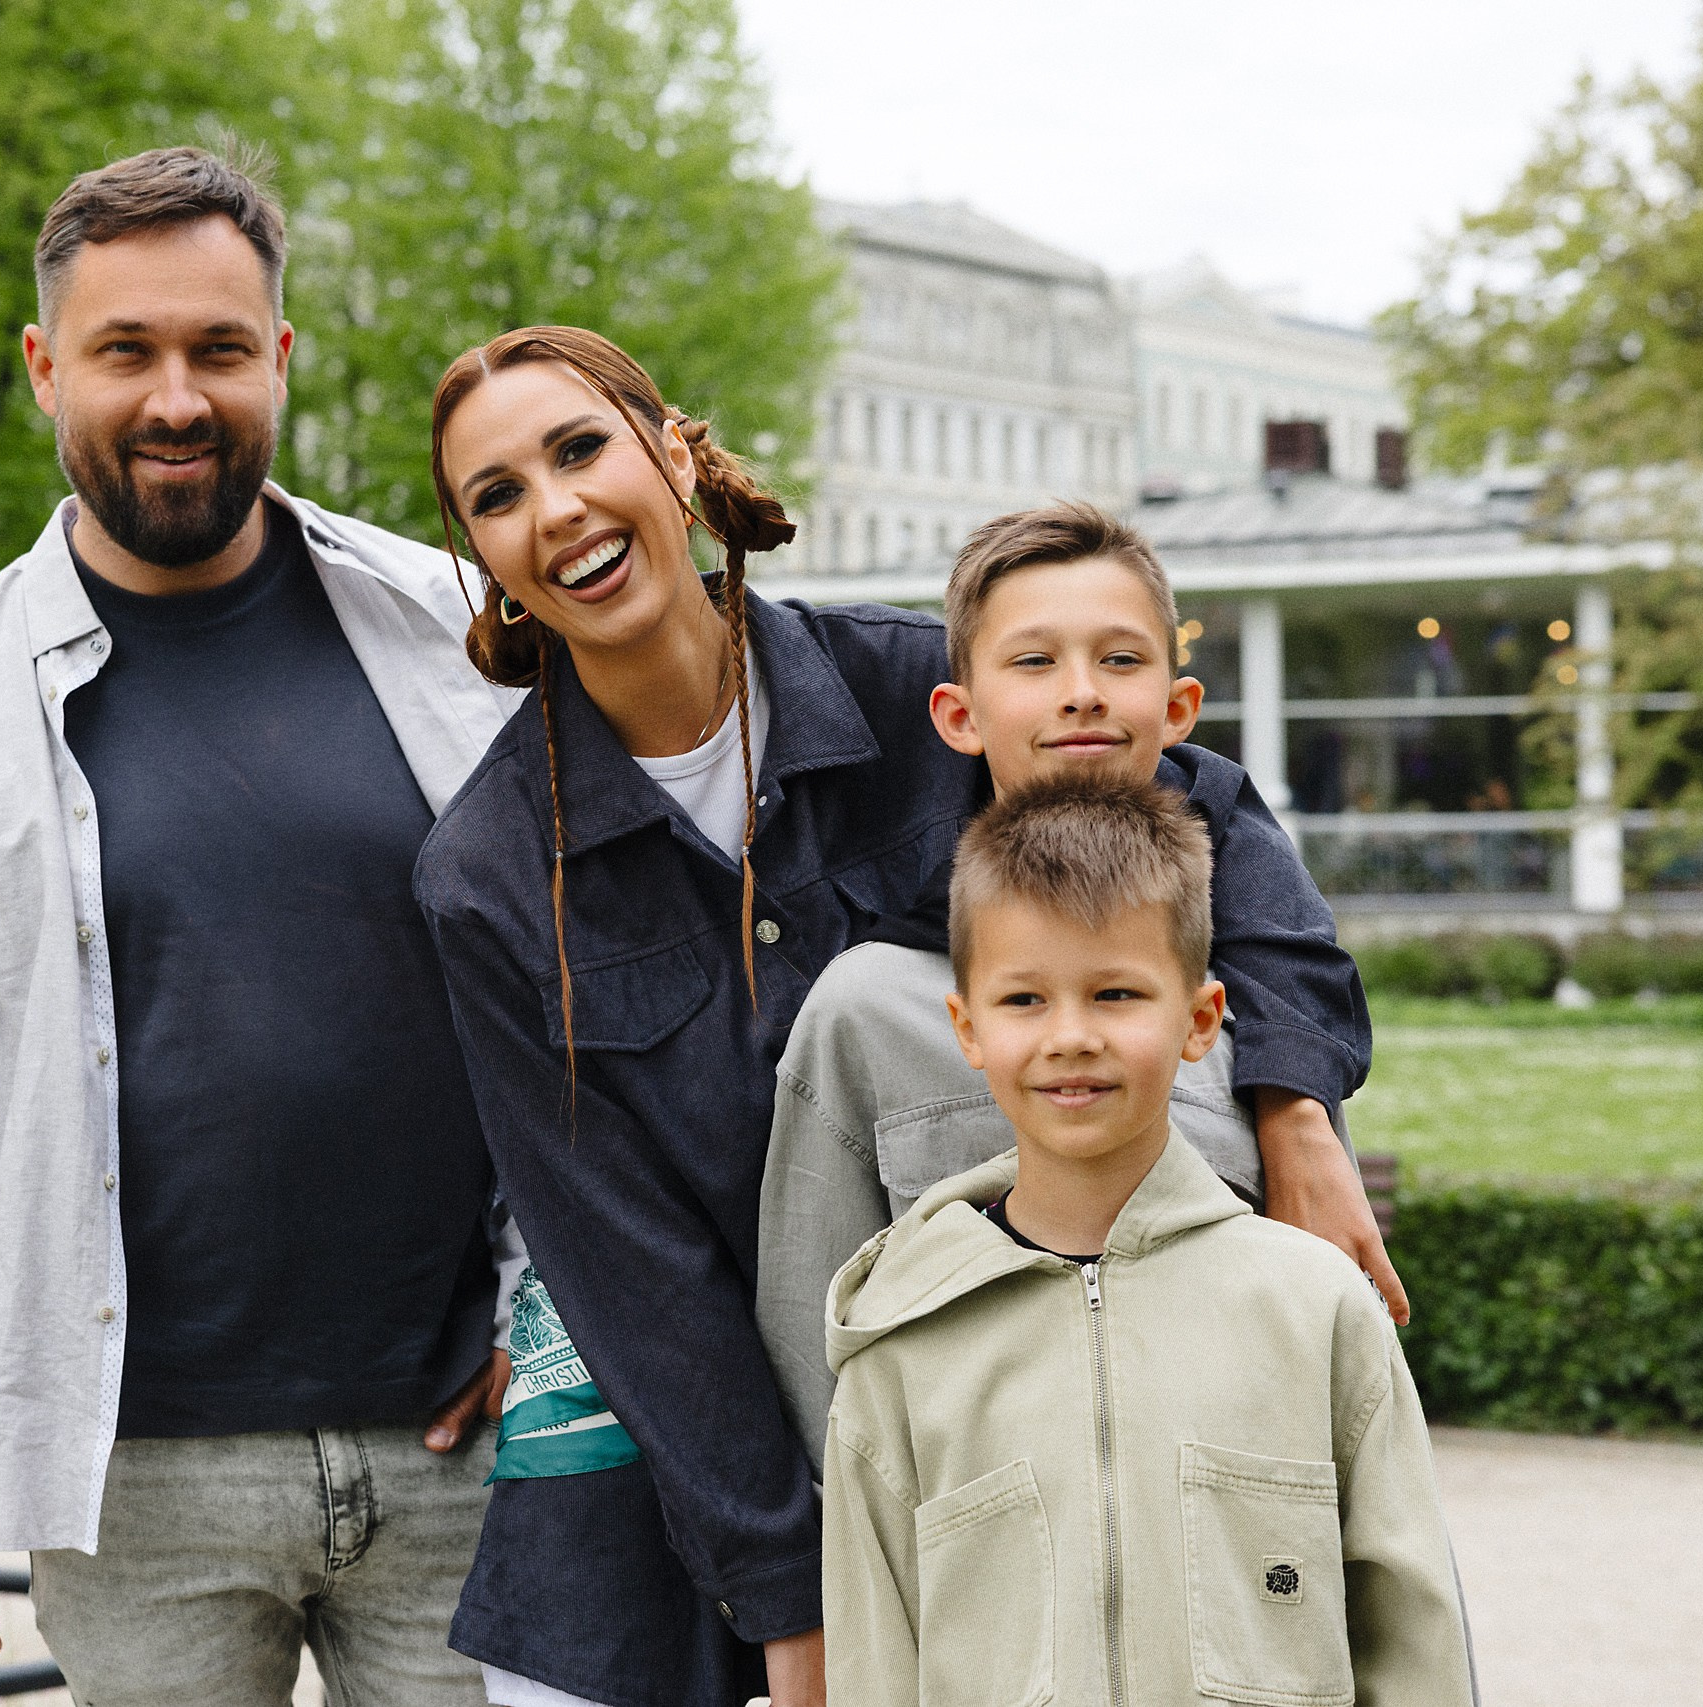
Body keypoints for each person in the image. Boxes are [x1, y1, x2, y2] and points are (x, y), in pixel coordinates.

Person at [0, 146, 524, 1707]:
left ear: (282, 360)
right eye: (127, 351)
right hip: (134, 1484)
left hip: (483, 1441)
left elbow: (588, 984)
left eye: (218, 349)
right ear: (46, 367)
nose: (176, 396)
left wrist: (560, 1308)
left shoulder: (459, 636)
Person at [416, 326, 983, 1707]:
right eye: (496, 495)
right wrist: (792, 1596)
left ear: (675, 454)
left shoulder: (926, 701)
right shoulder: (490, 875)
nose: (553, 510)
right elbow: (625, 1264)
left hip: (979, 1415)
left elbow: (1202, 833)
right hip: (667, 1488)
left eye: (579, 447)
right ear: (482, 558)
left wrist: (1291, 1094)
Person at [756, 504, 1392, 1468]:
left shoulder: (1260, 1025)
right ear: (958, 717)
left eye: (1121, 661)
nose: (1083, 694)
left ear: (1178, 711)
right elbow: (816, 1332)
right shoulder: (869, 1004)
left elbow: (1340, 1349)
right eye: (1035, 662)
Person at [821, 776, 1475, 1705]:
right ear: (966, 1026)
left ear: (1202, 1020)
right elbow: (875, 1673)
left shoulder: (1316, 1312)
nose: (1072, 1036)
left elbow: (1417, 1647)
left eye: (1117, 993)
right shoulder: (899, 1351)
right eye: (1025, 1000)